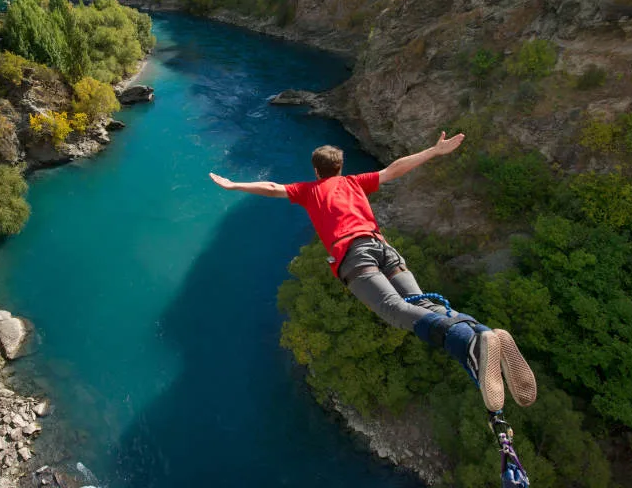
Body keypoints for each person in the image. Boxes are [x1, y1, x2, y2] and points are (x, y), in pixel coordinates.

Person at [209, 132, 536, 412]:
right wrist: (435, 151)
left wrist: (234, 185)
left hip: (353, 255)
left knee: (394, 311)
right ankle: (481, 332)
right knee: (422, 303)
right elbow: (395, 169)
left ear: (316, 170)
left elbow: (272, 187)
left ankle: (469, 343)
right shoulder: (354, 182)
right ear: (341, 166)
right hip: (383, 248)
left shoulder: (309, 190)